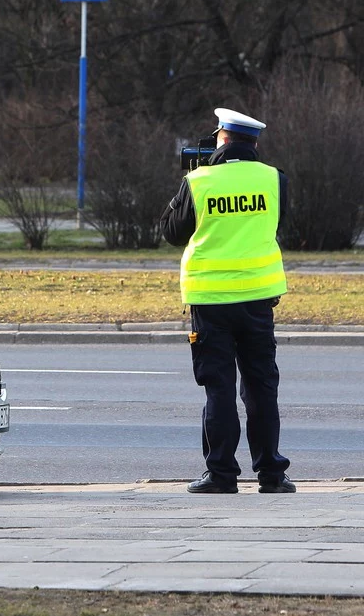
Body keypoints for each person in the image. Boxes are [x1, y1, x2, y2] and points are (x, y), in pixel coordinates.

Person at [160, 107, 295, 495]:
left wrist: (184, 186)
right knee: (261, 387)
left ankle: (221, 475)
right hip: (258, 299)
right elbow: (276, 223)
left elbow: (171, 232)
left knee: (218, 388)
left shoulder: (199, 181)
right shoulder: (274, 179)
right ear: (253, 142)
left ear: (221, 139)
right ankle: (272, 475)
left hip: (211, 300)